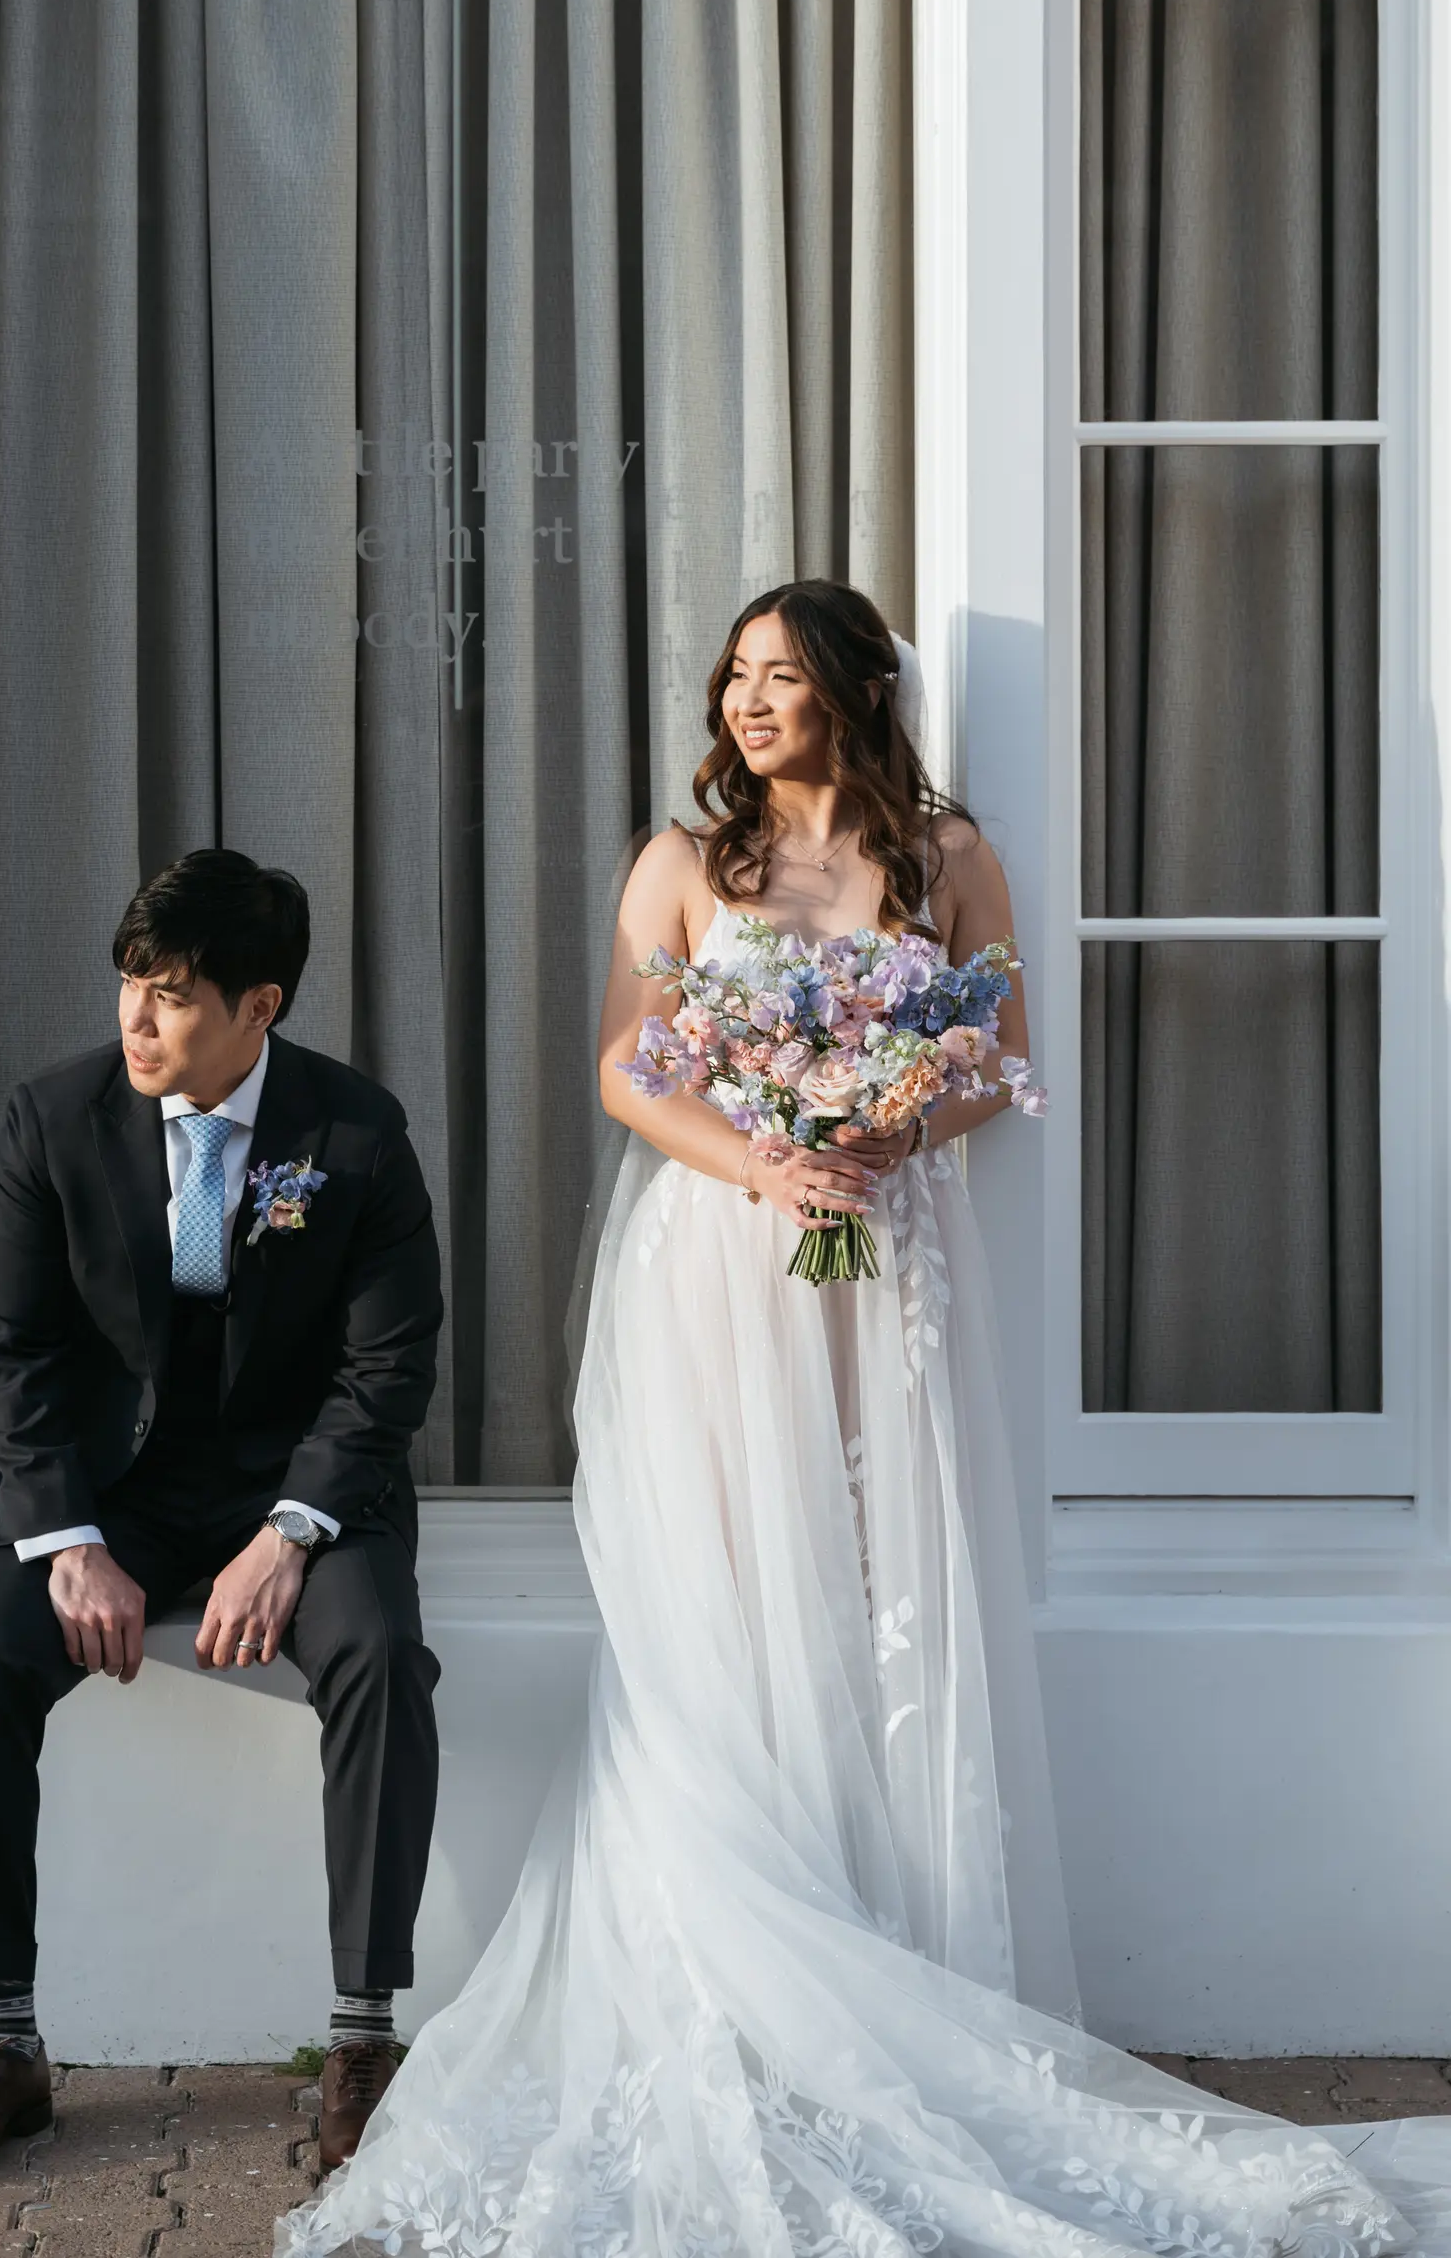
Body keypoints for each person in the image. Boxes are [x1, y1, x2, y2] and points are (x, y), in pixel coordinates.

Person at [284, 581, 1449, 2258]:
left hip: (887, 1263)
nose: (751, 701)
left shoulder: (947, 854)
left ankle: (887, 1943)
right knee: (739, 1590)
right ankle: (748, 1953)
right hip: (724, 1262)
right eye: (737, 676)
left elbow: (1003, 1049)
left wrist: (902, 1119)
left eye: (782, 673)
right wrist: (768, 1152)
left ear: (851, 688)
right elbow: (630, 1068)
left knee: (878, 1574)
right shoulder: (688, 864)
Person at [0, 849, 443, 2181]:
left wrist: (293, 1531)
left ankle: (364, 2042)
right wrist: (66, 1538)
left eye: (175, 996)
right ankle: (3, 2041)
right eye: (129, 987)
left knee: (380, 1658)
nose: (138, 1022)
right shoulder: (50, 1121)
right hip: (106, 1490)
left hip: (300, 1488)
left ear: (259, 1007)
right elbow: (6, 1352)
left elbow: (390, 1368)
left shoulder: (357, 1132)